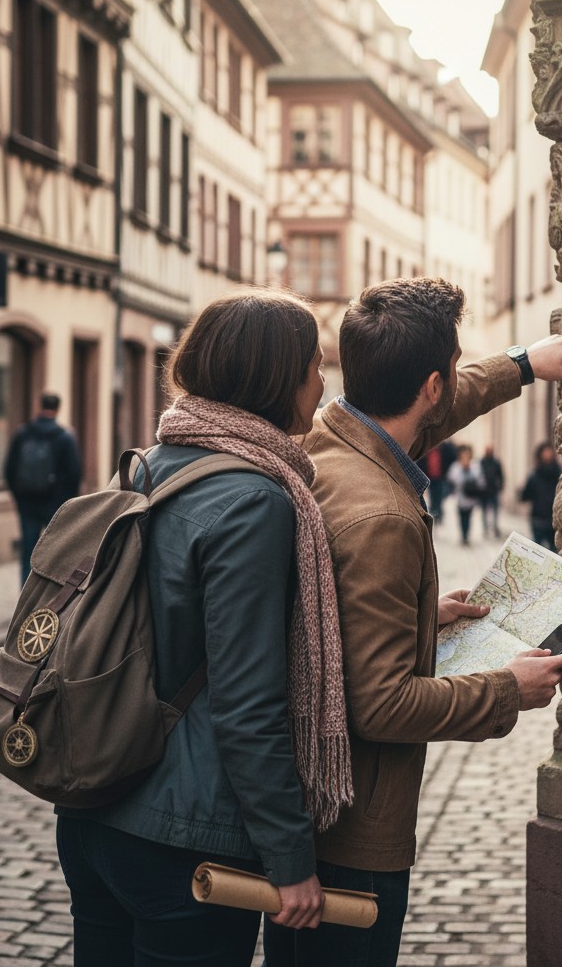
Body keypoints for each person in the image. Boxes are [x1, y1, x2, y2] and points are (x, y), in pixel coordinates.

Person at [263, 277, 562, 967]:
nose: (450, 385)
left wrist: (520, 365)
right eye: (449, 371)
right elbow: (381, 704)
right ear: (429, 385)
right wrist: (510, 689)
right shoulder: (383, 518)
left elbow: (435, 411)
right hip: (353, 836)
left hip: (314, 814)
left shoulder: (332, 435)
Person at [54, 292, 353, 967]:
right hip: (182, 842)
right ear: (276, 377)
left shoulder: (149, 465)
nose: (322, 381)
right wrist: (290, 856)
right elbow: (248, 706)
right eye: (313, 365)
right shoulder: (255, 500)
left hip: (94, 810)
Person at [4, 392, 82, 584]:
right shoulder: (64, 437)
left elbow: (9, 469)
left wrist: (19, 496)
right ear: (57, 409)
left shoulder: (23, 433)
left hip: (27, 503)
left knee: (28, 552)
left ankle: (25, 598)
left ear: (40, 406)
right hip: (54, 506)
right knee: (54, 553)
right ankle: (47, 597)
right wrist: (65, 502)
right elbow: (74, 474)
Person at [520, 442, 562, 551]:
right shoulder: (534, 475)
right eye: (545, 452)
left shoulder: (559, 473)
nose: (547, 455)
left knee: (554, 550)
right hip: (538, 518)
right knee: (536, 550)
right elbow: (525, 495)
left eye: (549, 452)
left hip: (554, 518)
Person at [445, 443, 486, 545]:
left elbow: (480, 481)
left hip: (470, 498)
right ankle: (463, 534)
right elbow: (452, 479)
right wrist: (463, 470)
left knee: (468, 517)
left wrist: (469, 471)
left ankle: (466, 535)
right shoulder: (456, 466)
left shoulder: (475, 466)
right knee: (461, 517)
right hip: (460, 498)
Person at [415, 439, 456, 522]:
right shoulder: (427, 452)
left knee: (440, 496)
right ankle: (434, 512)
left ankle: (439, 513)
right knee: (433, 496)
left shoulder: (444, 450)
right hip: (430, 478)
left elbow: (449, 460)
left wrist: (446, 472)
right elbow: (421, 463)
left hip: (440, 477)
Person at [478, 444, 505, 537]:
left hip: (494, 490)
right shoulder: (481, 462)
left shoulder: (496, 462)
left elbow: (501, 475)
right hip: (484, 492)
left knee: (495, 511)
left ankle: (495, 527)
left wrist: (500, 486)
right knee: (484, 511)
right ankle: (485, 528)